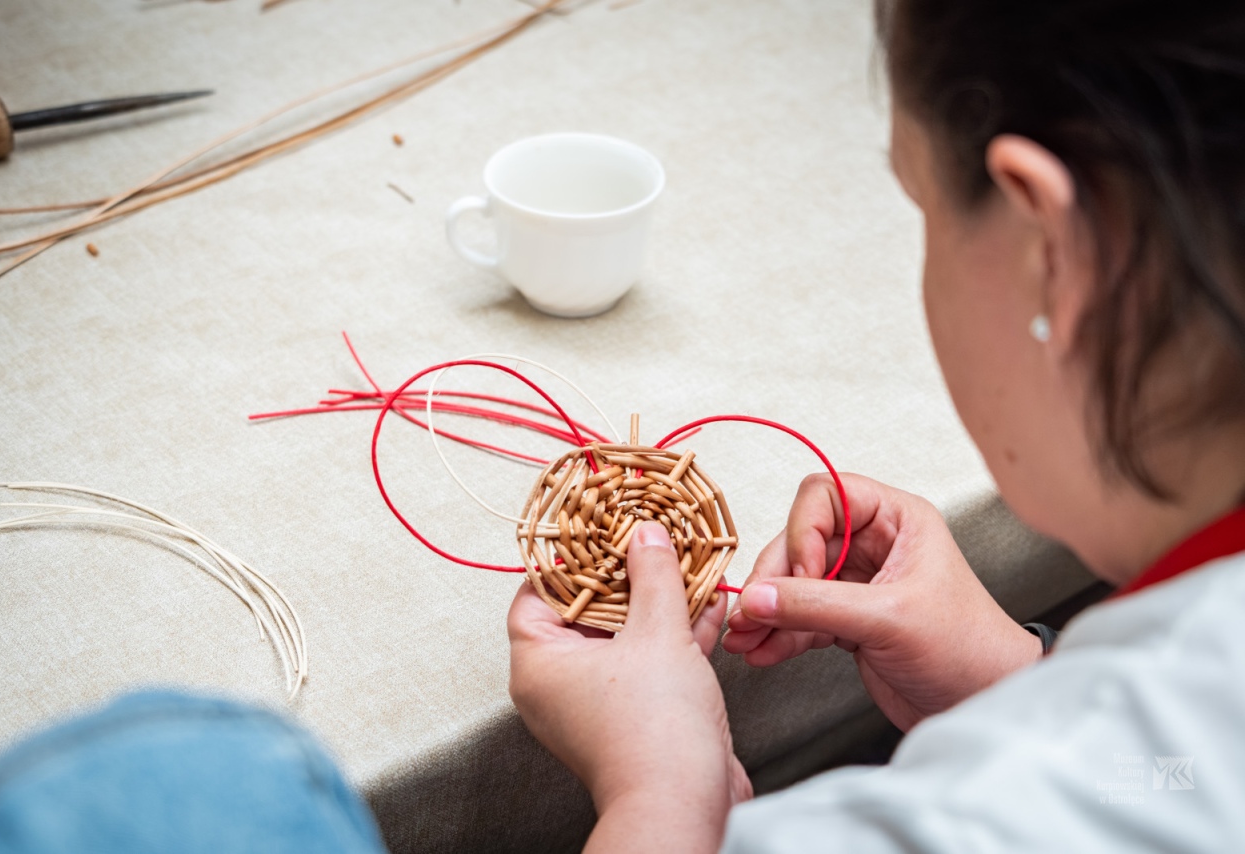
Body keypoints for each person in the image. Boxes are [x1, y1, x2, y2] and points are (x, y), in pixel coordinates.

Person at [507, 1, 1245, 851]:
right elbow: (1172, 776)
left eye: (921, 202)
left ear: (1052, 254)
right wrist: (1017, 682)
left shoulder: (957, 824)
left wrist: (659, 794)